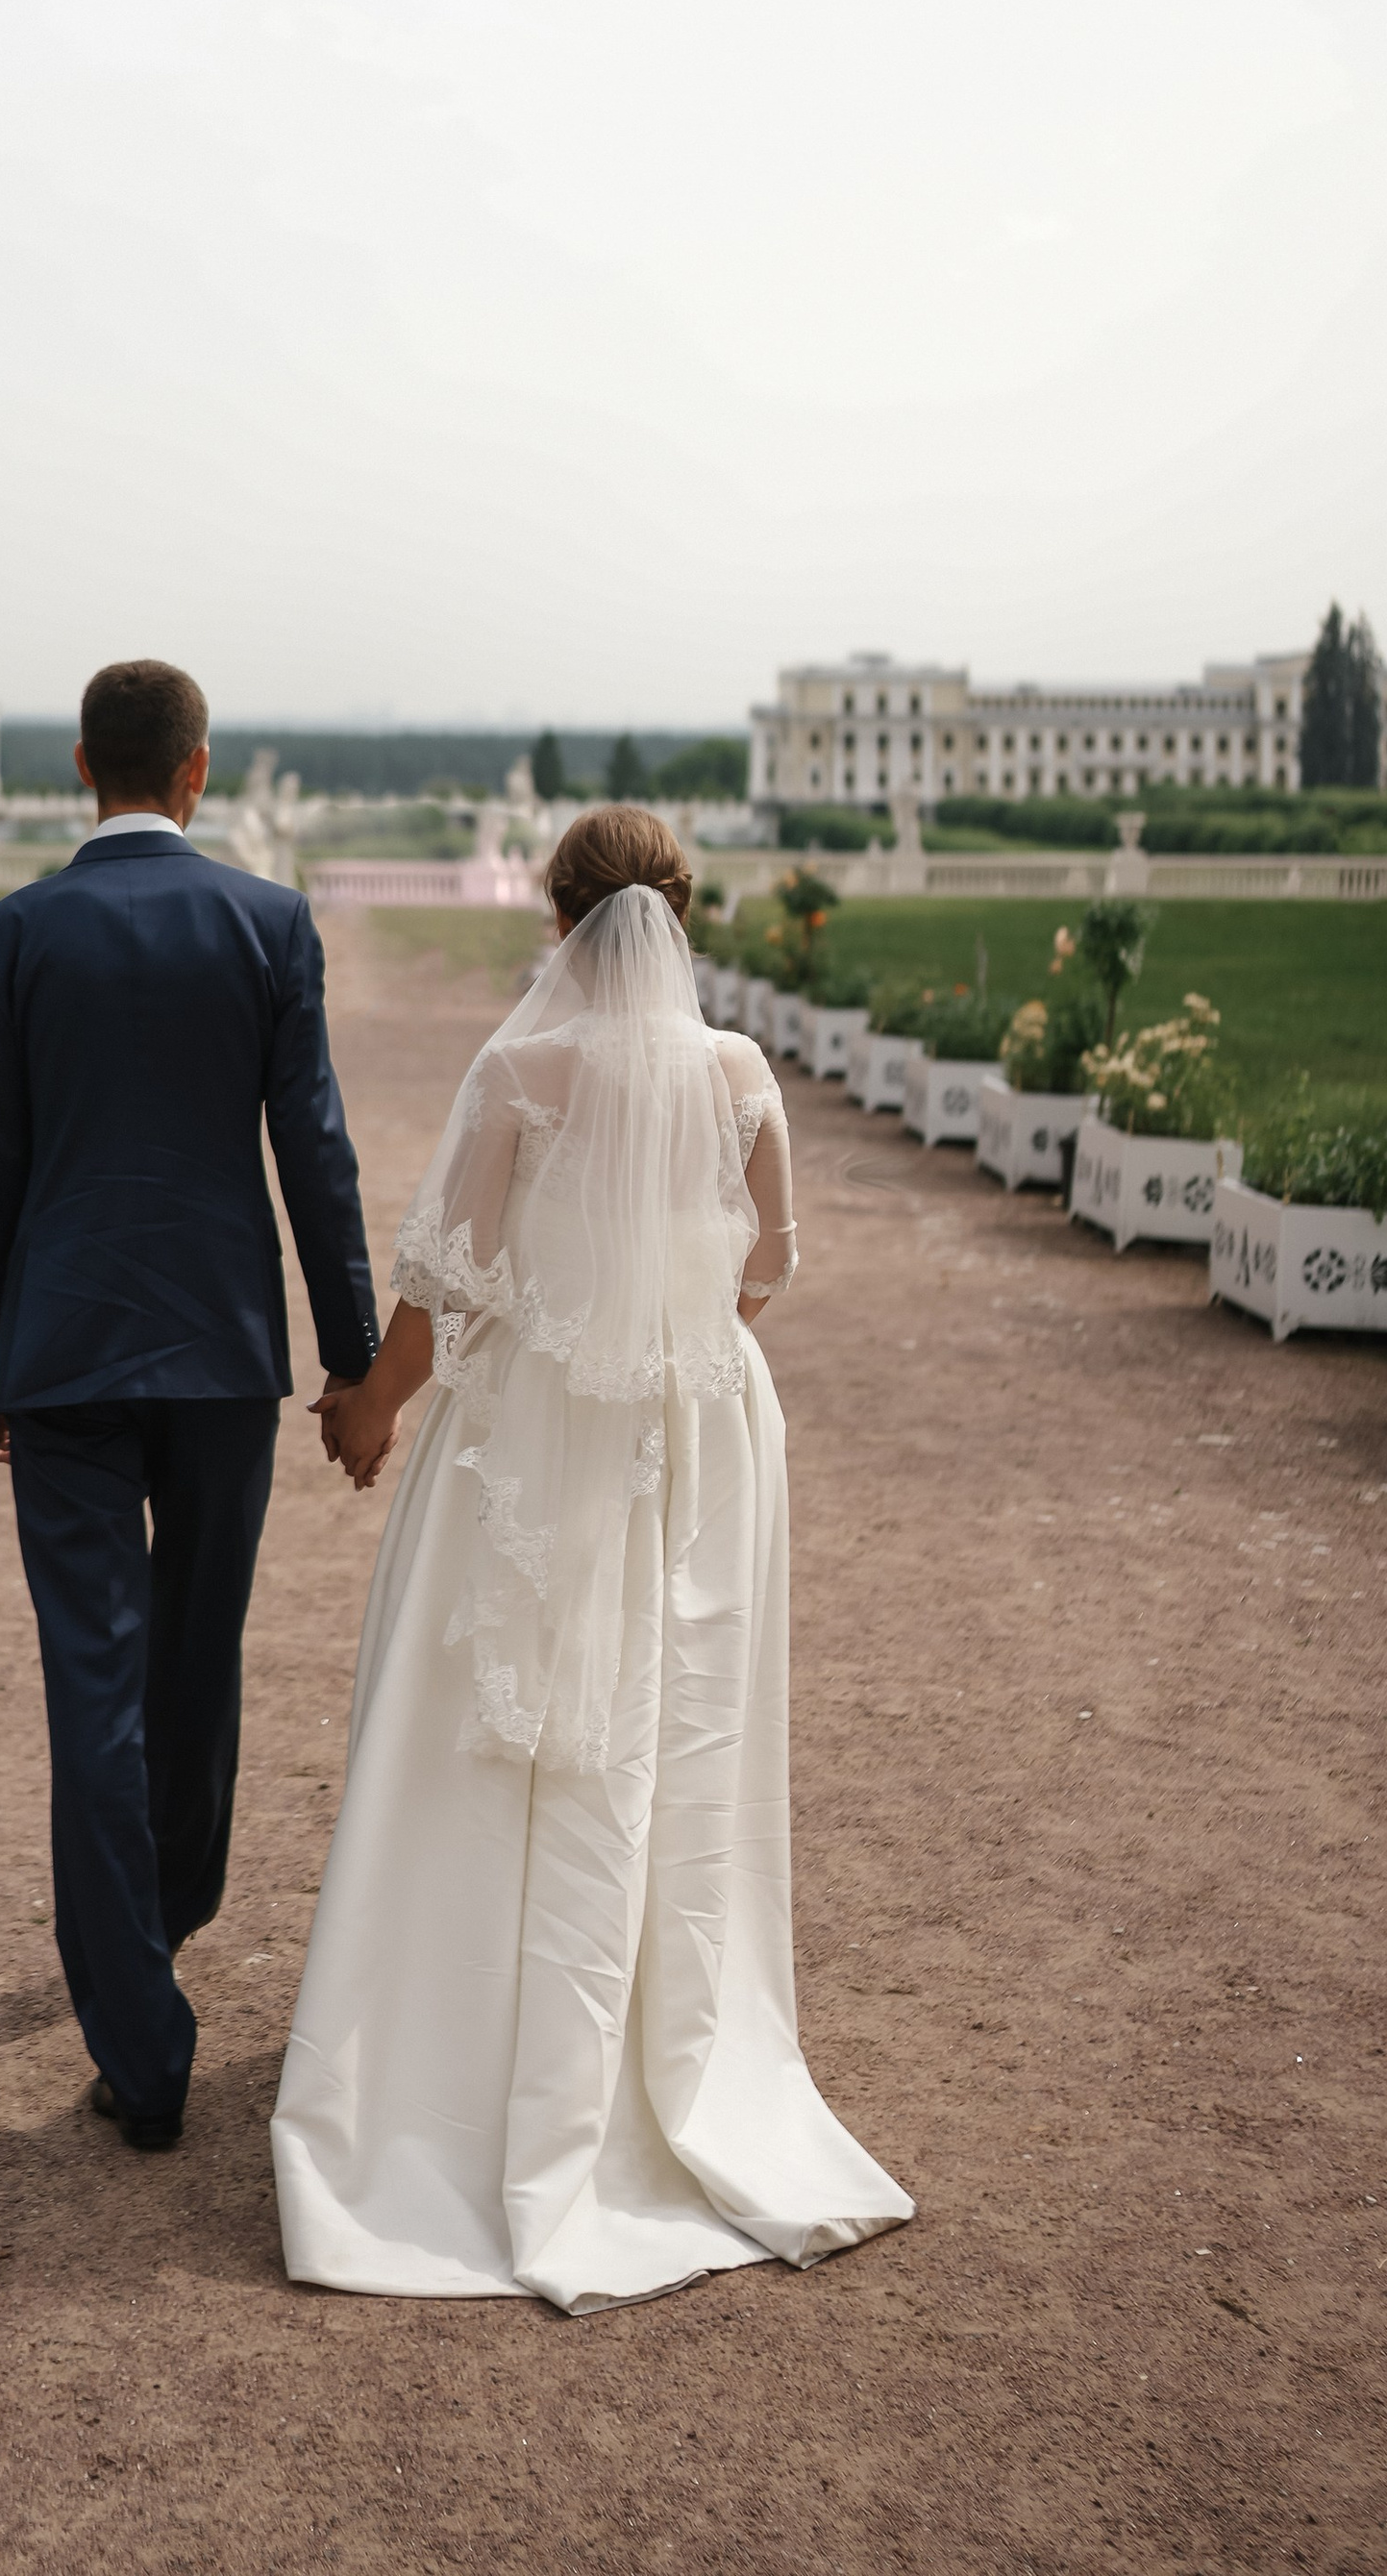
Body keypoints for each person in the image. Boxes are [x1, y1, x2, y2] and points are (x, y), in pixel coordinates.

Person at [272, 803, 913, 2307]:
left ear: (560, 921)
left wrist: (371, 1403)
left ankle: (472, 2046)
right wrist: (677, 1339)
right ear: (680, 918)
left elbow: (443, 1282)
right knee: (672, 1715)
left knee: (511, 1730)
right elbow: (771, 1261)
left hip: (543, 1425)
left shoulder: (521, 1068)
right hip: (700, 1434)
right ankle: (658, 2035)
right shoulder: (741, 1072)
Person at [0, 657, 380, 2151]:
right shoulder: (266, 922)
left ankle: (142, 2044)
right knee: (200, 1655)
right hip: (218, 1351)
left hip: (63, 1351)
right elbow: (312, 1151)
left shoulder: (5, 940)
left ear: (84, 765)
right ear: (199, 773)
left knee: (95, 1683)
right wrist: (352, 1350)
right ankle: (169, 1909)